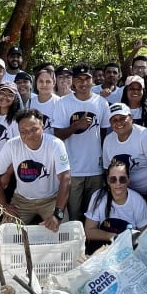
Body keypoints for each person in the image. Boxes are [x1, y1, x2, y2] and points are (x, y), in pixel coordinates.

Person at [0, 109, 71, 229]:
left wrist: (58, 214)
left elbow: (65, 178)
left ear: (42, 126)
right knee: (6, 235)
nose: (29, 135)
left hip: (52, 199)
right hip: (22, 201)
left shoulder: (55, 144)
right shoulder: (12, 145)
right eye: (24, 131)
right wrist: (3, 204)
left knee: (64, 234)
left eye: (34, 129)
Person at [52, 64, 111, 221]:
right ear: (73, 82)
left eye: (87, 79)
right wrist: (76, 126)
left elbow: (104, 134)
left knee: (93, 214)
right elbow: (57, 134)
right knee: (74, 213)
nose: (83, 83)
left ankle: (92, 243)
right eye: (79, 79)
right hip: (73, 169)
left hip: (95, 169)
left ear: (92, 81)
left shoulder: (102, 103)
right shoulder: (63, 103)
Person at [84, 158, 147, 252]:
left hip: (128, 249)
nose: (118, 183)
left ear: (128, 180)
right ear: (107, 180)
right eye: (113, 179)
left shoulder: (138, 201)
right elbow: (89, 231)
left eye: (122, 179)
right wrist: (115, 237)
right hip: (103, 247)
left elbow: (143, 235)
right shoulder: (98, 197)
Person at [101, 103, 147, 204]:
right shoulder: (108, 140)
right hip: (126, 194)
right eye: (114, 120)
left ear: (131, 118)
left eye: (123, 118)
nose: (119, 122)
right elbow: (107, 170)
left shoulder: (144, 135)